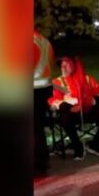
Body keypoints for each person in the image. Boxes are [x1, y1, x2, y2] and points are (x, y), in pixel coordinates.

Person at [48, 57, 99, 159]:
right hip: (70, 112)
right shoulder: (57, 82)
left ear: (74, 66)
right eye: (62, 65)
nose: (63, 67)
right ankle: (78, 147)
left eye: (67, 64)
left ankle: (95, 144)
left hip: (88, 109)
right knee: (65, 119)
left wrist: (93, 101)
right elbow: (54, 100)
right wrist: (68, 107)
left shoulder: (86, 79)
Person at [33, 30, 55, 174]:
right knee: (38, 128)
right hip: (43, 88)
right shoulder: (43, 40)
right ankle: (42, 161)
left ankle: (38, 163)